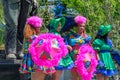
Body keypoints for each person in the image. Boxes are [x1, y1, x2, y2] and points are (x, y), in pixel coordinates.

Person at [64, 15, 93, 80]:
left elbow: (90, 49)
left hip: (83, 59)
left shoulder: (86, 37)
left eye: (83, 26)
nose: (82, 28)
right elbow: (64, 44)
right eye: (80, 26)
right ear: (76, 26)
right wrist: (67, 46)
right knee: (75, 78)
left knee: (82, 76)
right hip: (72, 58)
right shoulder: (69, 35)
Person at [19, 16, 45, 80]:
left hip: (30, 61)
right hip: (37, 61)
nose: (40, 28)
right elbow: (42, 49)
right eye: (39, 27)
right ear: (35, 28)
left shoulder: (28, 38)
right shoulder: (36, 38)